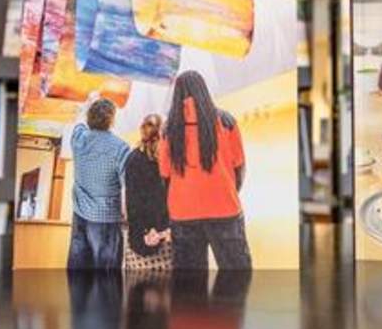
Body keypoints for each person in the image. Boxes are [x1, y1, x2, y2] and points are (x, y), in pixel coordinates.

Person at [159, 70, 251, 271]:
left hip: (183, 213)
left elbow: (164, 175)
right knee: (236, 277)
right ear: (204, 90)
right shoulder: (226, 121)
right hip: (225, 208)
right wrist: (228, 191)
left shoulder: (169, 129)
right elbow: (239, 166)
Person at [67, 96, 131, 270]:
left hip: (79, 216)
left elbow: (79, 123)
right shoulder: (121, 148)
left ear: (90, 117)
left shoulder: (79, 139)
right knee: (105, 278)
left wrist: (88, 101)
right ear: (111, 120)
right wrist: (127, 215)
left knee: (78, 274)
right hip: (107, 219)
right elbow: (128, 186)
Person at [124, 114, 171, 265]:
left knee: (137, 285)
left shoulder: (133, 158)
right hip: (166, 235)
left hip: (141, 236)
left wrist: (142, 232)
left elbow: (133, 202)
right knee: (166, 286)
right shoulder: (169, 158)